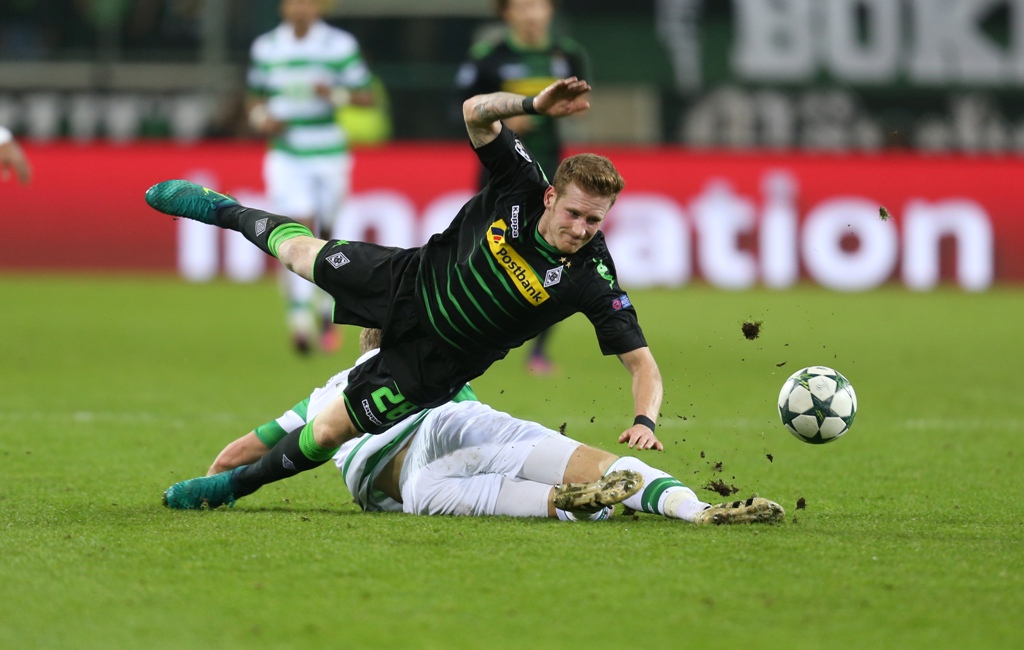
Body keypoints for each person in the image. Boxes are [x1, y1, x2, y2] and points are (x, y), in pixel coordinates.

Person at [145, 77, 664, 511]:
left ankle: (233, 488)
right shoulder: (521, 184)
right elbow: (475, 112)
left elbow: (641, 363)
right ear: (550, 196)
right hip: (406, 281)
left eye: (594, 221)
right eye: (574, 213)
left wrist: (644, 420)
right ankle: (221, 208)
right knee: (299, 253)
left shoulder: (592, 275)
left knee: (326, 434)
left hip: (432, 365)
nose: (580, 229)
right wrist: (531, 105)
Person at [167, 328, 785, 525]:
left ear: (363, 346)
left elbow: (241, 453)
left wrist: (214, 481)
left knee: (515, 500)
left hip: (412, 487)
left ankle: (566, 504)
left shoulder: (327, 395)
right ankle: (691, 508)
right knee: (586, 464)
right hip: (454, 425)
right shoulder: (439, 362)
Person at [456, 0, 590, 374]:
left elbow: (581, 99)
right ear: (507, 13)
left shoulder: (567, 54)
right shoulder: (488, 57)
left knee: (560, 256)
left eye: (538, 5)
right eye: (523, 5)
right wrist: (507, 117)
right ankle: (466, 336)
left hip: (551, 173)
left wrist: (572, 105)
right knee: (482, 254)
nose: (532, 13)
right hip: (500, 173)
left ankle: (539, 351)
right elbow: (460, 109)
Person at [247, 0, 375, 355]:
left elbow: (367, 97)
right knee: (297, 226)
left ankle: (325, 304)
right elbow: (254, 98)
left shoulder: (339, 45)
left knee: (326, 232)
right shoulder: (267, 47)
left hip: (328, 151)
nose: (299, 8)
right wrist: (260, 119)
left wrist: (334, 94)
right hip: (287, 153)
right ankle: (300, 316)